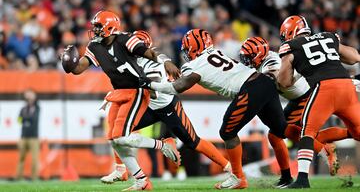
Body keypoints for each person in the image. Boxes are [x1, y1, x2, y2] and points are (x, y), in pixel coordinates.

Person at [144, 29, 291, 189]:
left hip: (251, 88)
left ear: (193, 47)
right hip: (264, 83)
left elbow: (179, 87)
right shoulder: (216, 52)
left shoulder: (195, 64)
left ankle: (238, 177)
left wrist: (149, 84)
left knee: (227, 132)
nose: (186, 52)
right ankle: (311, 150)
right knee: (282, 131)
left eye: (187, 48)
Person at [60, 10, 181, 191]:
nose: (95, 30)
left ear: (110, 26)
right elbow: (79, 69)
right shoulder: (94, 46)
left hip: (137, 91)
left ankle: (162, 145)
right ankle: (141, 180)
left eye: (99, 26)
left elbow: (148, 52)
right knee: (114, 140)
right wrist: (68, 63)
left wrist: (166, 61)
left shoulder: (125, 39)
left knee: (121, 137)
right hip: (119, 92)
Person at [101, 30, 231, 184]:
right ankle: (122, 169)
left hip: (167, 106)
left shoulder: (148, 64)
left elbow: (152, 91)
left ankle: (230, 168)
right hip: (148, 106)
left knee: (193, 141)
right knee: (119, 132)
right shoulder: (137, 59)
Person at [239, 36, 351, 177]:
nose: (245, 61)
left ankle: (328, 149)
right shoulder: (265, 59)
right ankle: (287, 175)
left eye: (248, 57)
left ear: (259, 55)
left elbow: (273, 77)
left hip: (305, 96)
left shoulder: (271, 65)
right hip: (297, 98)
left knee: (298, 134)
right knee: (281, 135)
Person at [277, 15, 360, 188]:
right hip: (346, 87)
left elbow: (284, 82)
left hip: (325, 89)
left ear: (290, 32)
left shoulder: (291, 47)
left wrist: (291, 67)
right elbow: (354, 57)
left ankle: (302, 179)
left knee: (307, 132)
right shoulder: (328, 37)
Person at [16, 89, 40, 181]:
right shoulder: (23, 108)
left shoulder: (37, 107)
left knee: (34, 159)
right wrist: (25, 119)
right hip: (23, 136)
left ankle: (34, 177)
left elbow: (33, 119)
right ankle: (18, 177)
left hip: (34, 137)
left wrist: (25, 119)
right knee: (21, 158)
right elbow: (18, 120)